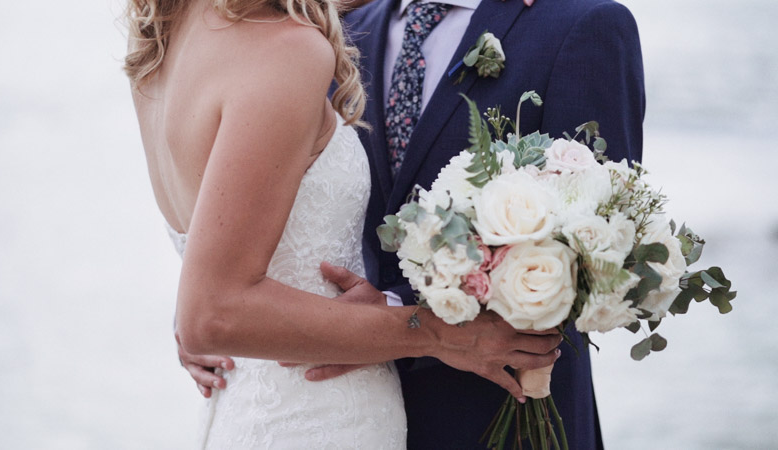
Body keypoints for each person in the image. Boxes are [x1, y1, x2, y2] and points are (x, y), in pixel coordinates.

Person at [181, 0, 645, 448]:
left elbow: (599, 249)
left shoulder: (583, 24)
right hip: (333, 413)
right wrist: (214, 313)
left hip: (504, 414)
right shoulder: (337, 27)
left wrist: (394, 307)